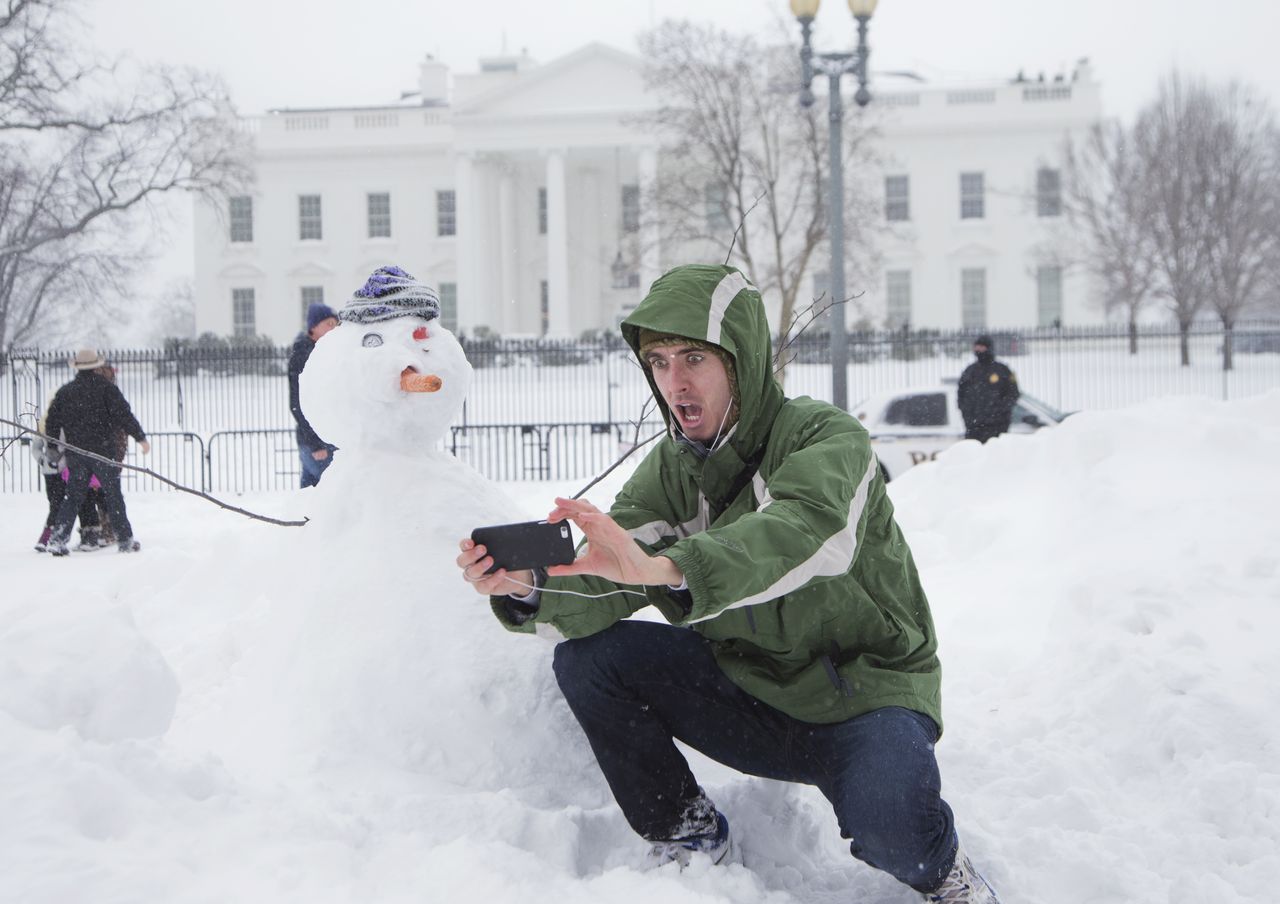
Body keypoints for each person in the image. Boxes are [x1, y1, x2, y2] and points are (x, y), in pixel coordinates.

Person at [456, 264, 1001, 903]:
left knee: (897, 839)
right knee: (593, 660)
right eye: (658, 361)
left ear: (740, 363)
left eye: (693, 358)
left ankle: (946, 874)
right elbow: (612, 570)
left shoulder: (827, 437)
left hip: (865, 698)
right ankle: (688, 834)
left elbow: (802, 532)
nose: (674, 382)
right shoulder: (669, 471)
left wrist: (670, 568)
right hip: (754, 697)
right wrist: (527, 589)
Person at [44, 349, 149, 556]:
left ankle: (57, 539)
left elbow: (52, 421)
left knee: (73, 497)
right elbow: (123, 414)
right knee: (113, 496)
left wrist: (53, 447)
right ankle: (125, 540)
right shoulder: (106, 389)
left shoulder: (66, 392)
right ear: (96, 366)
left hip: (77, 452)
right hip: (103, 452)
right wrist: (140, 437)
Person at [289, 301, 340, 487]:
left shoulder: (323, 352)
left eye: (335, 324)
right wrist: (315, 443)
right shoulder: (305, 354)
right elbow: (298, 401)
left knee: (311, 495)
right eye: (329, 324)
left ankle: (303, 516)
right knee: (328, 493)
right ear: (313, 327)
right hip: (317, 443)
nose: (334, 328)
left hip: (323, 439)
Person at [957, 334, 1019, 443]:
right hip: (974, 427)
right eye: (977, 347)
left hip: (997, 426)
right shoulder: (970, 371)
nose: (978, 350)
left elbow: (1013, 394)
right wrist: (969, 417)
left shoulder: (1002, 370)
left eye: (982, 347)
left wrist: (1000, 413)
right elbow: (961, 396)